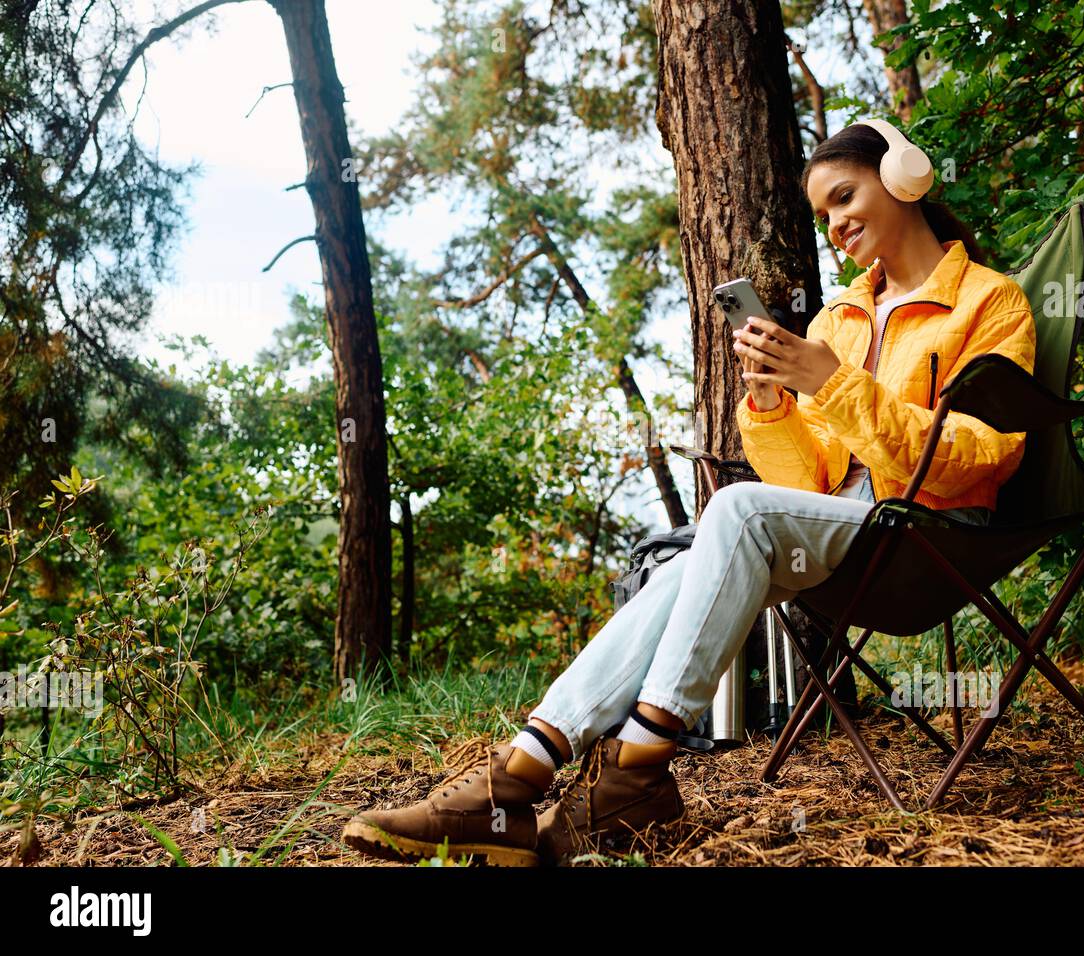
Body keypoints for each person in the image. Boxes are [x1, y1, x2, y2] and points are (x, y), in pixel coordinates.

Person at [341, 120, 1036, 867]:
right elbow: (802, 486)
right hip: (848, 535)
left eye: (844, 197)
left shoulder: (990, 303)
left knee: (730, 512)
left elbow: (981, 458)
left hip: (929, 535)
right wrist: (772, 403)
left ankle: (631, 765)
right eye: (823, 214)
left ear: (904, 176)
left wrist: (832, 384)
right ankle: (521, 779)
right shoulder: (840, 318)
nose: (834, 226)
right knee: (685, 562)